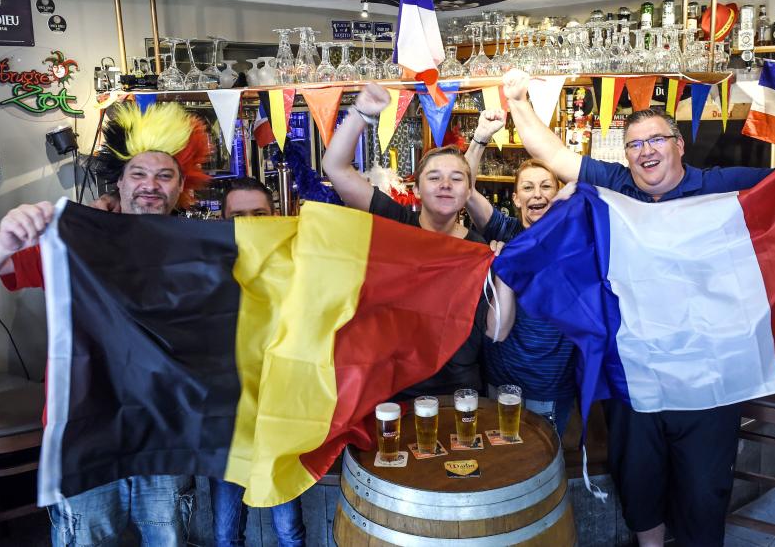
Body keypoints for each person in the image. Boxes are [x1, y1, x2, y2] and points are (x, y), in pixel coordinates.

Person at [498, 68, 775, 547]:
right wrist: (517, 99)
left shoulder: (722, 185)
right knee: (638, 482)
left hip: (709, 379)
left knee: (704, 494)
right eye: (634, 144)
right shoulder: (617, 185)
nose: (645, 151)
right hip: (634, 377)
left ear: (678, 144)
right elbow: (553, 154)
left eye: (655, 140)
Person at [0, 102, 213, 547]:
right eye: (139, 174)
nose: (150, 186)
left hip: (166, 431)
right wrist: (3, 238)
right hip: (84, 432)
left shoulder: (202, 251)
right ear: (120, 181)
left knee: (169, 537)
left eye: (164, 176)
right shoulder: (72, 241)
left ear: (181, 189)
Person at [321, 83, 512, 399]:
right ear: (418, 190)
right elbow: (335, 168)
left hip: (460, 391)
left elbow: (497, 331)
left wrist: (505, 274)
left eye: (456, 178)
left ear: (468, 192)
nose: (445, 185)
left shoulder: (478, 250)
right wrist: (361, 112)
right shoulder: (397, 223)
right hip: (395, 387)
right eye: (434, 177)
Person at [463, 111, 578, 436]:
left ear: (557, 194)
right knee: (500, 466)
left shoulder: (573, 242)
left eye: (546, 186)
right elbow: (465, 188)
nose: (537, 194)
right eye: (527, 188)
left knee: (539, 467)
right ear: (515, 199)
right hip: (498, 381)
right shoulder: (506, 231)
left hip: (549, 387)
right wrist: (481, 137)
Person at [210, 176, 307, 547]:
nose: (250, 223)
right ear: (223, 220)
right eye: (239, 216)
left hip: (279, 418)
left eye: (259, 214)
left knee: (289, 529)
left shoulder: (297, 262)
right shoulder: (207, 267)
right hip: (227, 425)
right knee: (225, 533)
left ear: (276, 215)